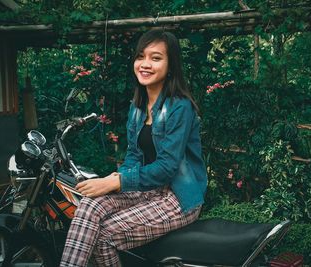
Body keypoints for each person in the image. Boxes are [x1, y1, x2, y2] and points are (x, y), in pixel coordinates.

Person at [59, 29, 208, 267]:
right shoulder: (137, 107)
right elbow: (134, 156)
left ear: (171, 66)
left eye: (156, 58)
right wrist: (116, 180)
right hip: (148, 189)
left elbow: (168, 167)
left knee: (105, 234)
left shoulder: (180, 107)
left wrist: (115, 181)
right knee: (89, 203)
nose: (145, 64)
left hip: (178, 196)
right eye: (141, 56)